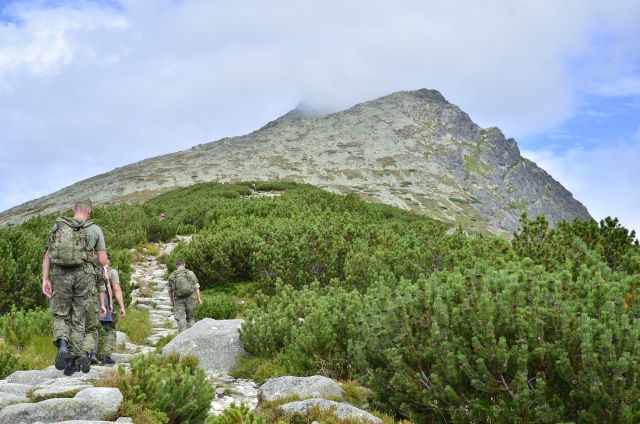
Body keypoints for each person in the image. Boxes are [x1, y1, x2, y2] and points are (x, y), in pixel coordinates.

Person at [42, 200, 107, 375]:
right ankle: (72, 362)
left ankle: (62, 344)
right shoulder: (95, 229)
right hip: (85, 276)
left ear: (73, 210)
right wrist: (88, 256)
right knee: (79, 318)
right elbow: (102, 261)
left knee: (60, 314)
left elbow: (48, 255)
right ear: (89, 212)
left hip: (61, 274)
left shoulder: (59, 226)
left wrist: (45, 279)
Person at [83, 253, 126, 366]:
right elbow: (116, 289)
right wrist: (121, 306)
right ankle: (106, 356)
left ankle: (89, 354)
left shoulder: (87, 268)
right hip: (104, 303)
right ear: (108, 260)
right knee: (110, 329)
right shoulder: (111, 272)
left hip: (87, 302)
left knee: (91, 329)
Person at [167, 258, 202, 332]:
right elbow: (196, 287)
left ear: (176, 265)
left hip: (178, 300)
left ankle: (182, 335)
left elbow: (169, 290)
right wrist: (199, 299)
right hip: (190, 298)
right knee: (191, 318)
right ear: (184, 264)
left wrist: (172, 301)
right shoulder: (190, 273)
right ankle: (191, 334)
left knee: (180, 319)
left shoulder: (172, 276)